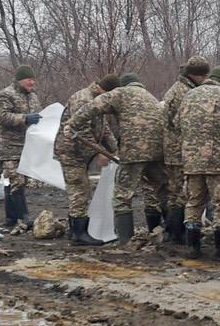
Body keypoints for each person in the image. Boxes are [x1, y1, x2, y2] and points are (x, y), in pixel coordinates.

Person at [63, 72, 166, 244]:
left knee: (122, 195)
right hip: (157, 152)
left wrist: (72, 124)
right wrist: (112, 149)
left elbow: (91, 108)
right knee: (165, 190)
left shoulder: (120, 93)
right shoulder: (151, 98)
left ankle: (126, 241)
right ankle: (174, 235)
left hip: (134, 152)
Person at [177, 65, 220, 259]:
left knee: (194, 202)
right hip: (218, 160)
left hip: (191, 161)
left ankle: (192, 248)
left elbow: (177, 123)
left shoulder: (188, 96)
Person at [54, 75, 119, 246]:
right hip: (71, 152)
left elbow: (103, 130)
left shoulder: (96, 100)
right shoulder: (83, 100)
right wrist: (100, 154)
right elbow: (81, 132)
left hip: (81, 153)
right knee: (79, 190)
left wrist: (114, 149)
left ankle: (74, 229)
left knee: (82, 190)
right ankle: (79, 234)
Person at [158, 57, 210, 245]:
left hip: (174, 148)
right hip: (180, 149)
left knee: (175, 192)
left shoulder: (179, 89)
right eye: (204, 75)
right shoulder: (183, 93)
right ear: (194, 75)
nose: (205, 79)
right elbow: (181, 123)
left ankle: (171, 232)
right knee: (182, 192)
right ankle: (176, 233)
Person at [0, 64, 43, 230]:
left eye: (33, 79)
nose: (32, 82)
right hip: (9, 145)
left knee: (16, 180)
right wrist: (25, 118)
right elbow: (2, 117)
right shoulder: (5, 95)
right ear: (20, 80)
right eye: (29, 79)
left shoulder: (33, 97)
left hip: (27, 145)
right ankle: (24, 217)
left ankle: (10, 218)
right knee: (17, 180)